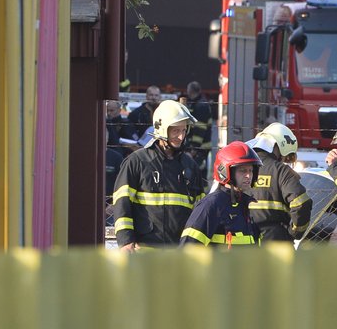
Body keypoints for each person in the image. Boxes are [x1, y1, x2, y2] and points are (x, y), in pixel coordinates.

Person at [112, 100, 204, 251]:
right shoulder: (137, 161)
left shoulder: (190, 166)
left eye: (183, 130)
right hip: (144, 250)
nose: (181, 137)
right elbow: (122, 202)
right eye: (175, 130)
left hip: (179, 252)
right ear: (160, 129)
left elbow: (200, 210)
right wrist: (126, 240)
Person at [181, 141, 262, 248]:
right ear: (225, 171)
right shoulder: (211, 205)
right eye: (243, 170)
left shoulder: (245, 205)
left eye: (251, 170)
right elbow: (188, 248)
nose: (248, 175)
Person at [245, 123, 312, 241]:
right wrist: (296, 232)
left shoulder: (240, 167)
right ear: (279, 146)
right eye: (285, 156)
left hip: (242, 240)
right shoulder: (281, 171)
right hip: (276, 240)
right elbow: (301, 203)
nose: (284, 160)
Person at [182, 81, 213, 166]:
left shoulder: (201, 105)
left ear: (190, 91)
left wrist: (194, 149)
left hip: (200, 148)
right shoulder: (197, 103)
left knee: (199, 173)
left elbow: (200, 129)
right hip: (199, 147)